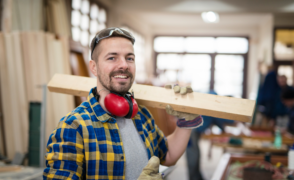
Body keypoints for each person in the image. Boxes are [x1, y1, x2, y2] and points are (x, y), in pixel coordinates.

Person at [43, 27, 203, 180]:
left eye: (129, 58)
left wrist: (186, 122)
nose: (124, 65)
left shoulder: (141, 115)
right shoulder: (73, 127)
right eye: (112, 57)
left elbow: (167, 155)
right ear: (94, 67)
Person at [186, 91, 233, 180]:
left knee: (196, 155)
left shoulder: (213, 97)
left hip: (193, 130)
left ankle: (198, 177)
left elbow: (216, 119)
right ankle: (194, 178)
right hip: (191, 131)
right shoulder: (214, 101)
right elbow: (219, 119)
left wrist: (223, 128)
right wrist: (232, 122)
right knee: (193, 156)